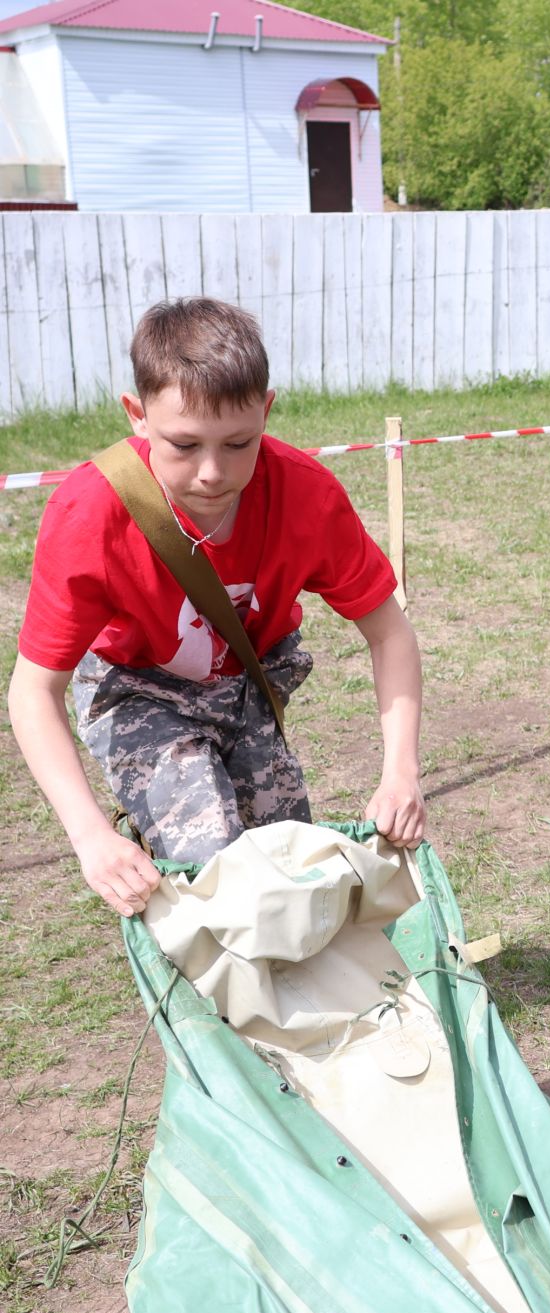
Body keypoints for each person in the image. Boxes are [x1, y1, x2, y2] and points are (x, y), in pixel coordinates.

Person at [7, 298, 425, 918]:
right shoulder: (89, 511)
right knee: (213, 870)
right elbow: (32, 691)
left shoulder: (305, 493)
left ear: (267, 409)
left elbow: (390, 631)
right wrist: (89, 835)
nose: (212, 472)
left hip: (248, 685)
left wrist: (401, 772)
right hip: (139, 688)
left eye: (238, 442)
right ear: (137, 414)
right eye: (184, 444)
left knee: (289, 873)